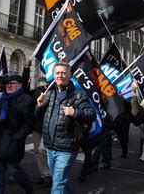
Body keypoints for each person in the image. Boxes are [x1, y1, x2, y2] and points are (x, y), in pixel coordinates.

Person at [35, 61, 95, 194]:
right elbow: (36, 116)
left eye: (63, 73)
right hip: (50, 146)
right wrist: (39, 105)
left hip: (66, 148)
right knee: (62, 182)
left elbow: (91, 114)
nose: (60, 76)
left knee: (57, 185)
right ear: (54, 75)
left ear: (69, 75)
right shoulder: (49, 93)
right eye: (57, 73)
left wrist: (75, 112)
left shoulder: (78, 94)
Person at [0, 74, 35, 194]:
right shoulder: (3, 98)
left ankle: (28, 186)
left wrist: (17, 137)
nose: (9, 86)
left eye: (12, 83)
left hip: (13, 140)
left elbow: (29, 124)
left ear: (20, 85)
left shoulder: (27, 100)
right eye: (7, 84)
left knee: (13, 169)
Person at [29, 77, 52, 187]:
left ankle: (49, 174)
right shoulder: (36, 91)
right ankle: (43, 174)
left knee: (42, 150)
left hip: (47, 126)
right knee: (37, 152)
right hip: (36, 126)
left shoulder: (54, 90)